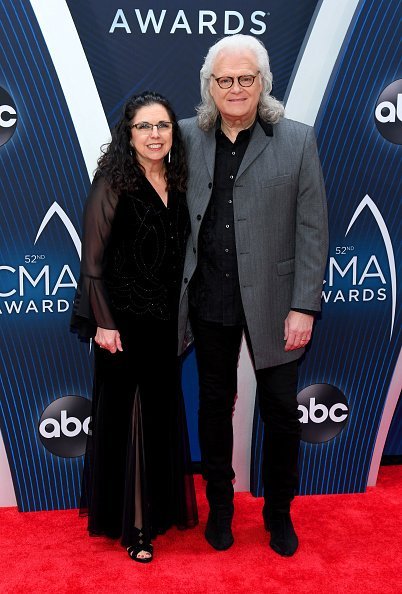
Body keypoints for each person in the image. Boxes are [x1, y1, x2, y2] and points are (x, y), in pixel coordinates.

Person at [178, 34, 328, 557]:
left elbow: (312, 230)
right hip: (209, 298)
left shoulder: (297, 140)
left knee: (283, 411)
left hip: (278, 302)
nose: (236, 88)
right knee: (214, 407)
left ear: (263, 83)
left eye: (246, 78)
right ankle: (220, 509)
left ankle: (279, 514)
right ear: (209, 86)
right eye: (225, 79)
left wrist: (304, 305)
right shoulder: (184, 139)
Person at [71, 91, 198, 563]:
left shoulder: (181, 181)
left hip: (166, 325)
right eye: (144, 126)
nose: (154, 135)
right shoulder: (113, 181)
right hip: (120, 324)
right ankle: (137, 528)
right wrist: (103, 323)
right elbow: (92, 263)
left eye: (162, 126)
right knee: (132, 418)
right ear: (128, 134)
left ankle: (156, 509)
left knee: (160, 414)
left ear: (173, 133)